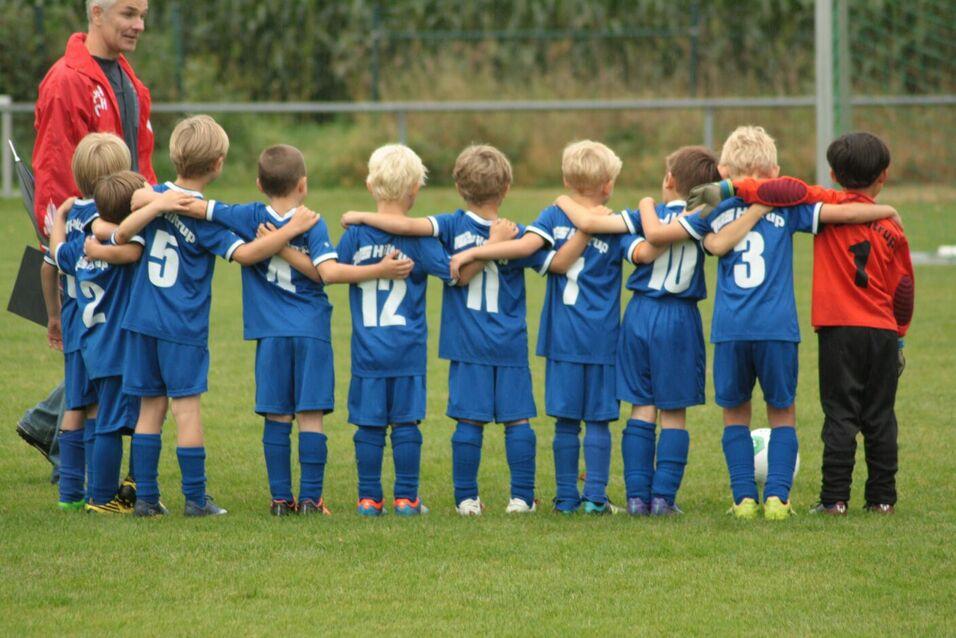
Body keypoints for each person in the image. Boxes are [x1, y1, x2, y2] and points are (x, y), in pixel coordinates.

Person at [661, 126, 899, 519]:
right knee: (782, 413)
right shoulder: (787, 208)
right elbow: (843, 211)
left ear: (726, 171)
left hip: (731, 330)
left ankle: (742, 500)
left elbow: (713, 244)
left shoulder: (716, 207)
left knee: (735, 415)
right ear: (772, 173)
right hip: (777, 330)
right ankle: (777, 498)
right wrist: (886, 210)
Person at [110, 115, 319, 517]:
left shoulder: (152, 195)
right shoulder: (207, 221)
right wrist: (287, 232)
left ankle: (148, 500)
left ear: (174, 154)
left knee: (149, 409)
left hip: (140, 321)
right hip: (181, 327)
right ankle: (195, 498)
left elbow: (125, 223)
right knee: (186, 409)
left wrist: (159, 202)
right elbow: (245, 255)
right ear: (219, 163)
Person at [199, 144, 413, 516]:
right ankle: (312, 499)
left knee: (277, 416)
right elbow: (327, 273)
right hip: (311, 331)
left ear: (258, 183)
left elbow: (202, 207)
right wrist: (379, 269)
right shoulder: (312, 222)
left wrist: (161, 199)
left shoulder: (248, 215)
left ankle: (281, 500)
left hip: (270, 334)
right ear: (303, 185)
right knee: (310, 414)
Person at [340, 145, 547, 516]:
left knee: (466, 421)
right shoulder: (519, 234)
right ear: (507, 188)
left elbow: (440, 261)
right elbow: (455, 274)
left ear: (459, 187)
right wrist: (497, 246)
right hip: (508, 345)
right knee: (518, 420)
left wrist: (358, 215)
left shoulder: (448, 226)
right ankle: (521, 497)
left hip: (459, 345)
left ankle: (462, 499)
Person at [450, 140, 625, 515]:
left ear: (565, 178)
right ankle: (590, 497)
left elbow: (539, 252)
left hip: (561, 336)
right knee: (597, 419)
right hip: (602, 338)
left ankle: (563, 498)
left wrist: (475, 250)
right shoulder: (616, 220)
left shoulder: (551, 217)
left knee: (565, 421)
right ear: (608, 184)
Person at [552, 146, 722, 516]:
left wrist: (564, 201)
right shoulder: (704, 215)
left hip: (640, 315)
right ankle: (663, 498)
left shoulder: (649, 215)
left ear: (669, 180)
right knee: (674, 412)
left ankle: (636, 497)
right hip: (679, 318)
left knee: (641, 406)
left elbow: (596, 226)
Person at [23, 0, 154, 470]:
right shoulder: (65, 81)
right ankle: (71, 461)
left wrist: (152, 213)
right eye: (128, 13)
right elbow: (56, 174)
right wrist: (63, 247)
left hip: (124, 234)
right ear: (96, 12)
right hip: (89, 242)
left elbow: (142, 165)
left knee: (105, 346)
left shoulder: (128, 79)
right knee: (94, 350)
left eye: (142, 14)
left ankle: (47, 426)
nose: (139, 24)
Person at [334, 144, 479, 517]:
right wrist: (488, 249)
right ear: (415, 190)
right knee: (405, 423)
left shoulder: (354, 236)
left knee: (368, 426)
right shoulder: (418, 239)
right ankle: (406, 499)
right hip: (407, 349)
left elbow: (331, 271)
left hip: (367, 350)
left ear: (370, 185)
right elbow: (454, 274)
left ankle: (368, 499)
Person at [51, 171, 188, 513]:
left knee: (100, 419)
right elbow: (132, 250)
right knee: (112, 423)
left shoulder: (80, 248)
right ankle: (101, 498)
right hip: (119, 349)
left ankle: (105, 489)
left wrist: (62, 217)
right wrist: (157, 205)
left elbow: (54, 253)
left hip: (92, 345)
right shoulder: (125, 248)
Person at [45, 133, 132, 510]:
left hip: (75, 323)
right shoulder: (112, 224)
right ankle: (102, 491)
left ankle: (69, 496)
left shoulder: (70, 221)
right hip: (107, 329)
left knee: (75, 407)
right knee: (100, 410)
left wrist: (52, 316)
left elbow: (50, 264)